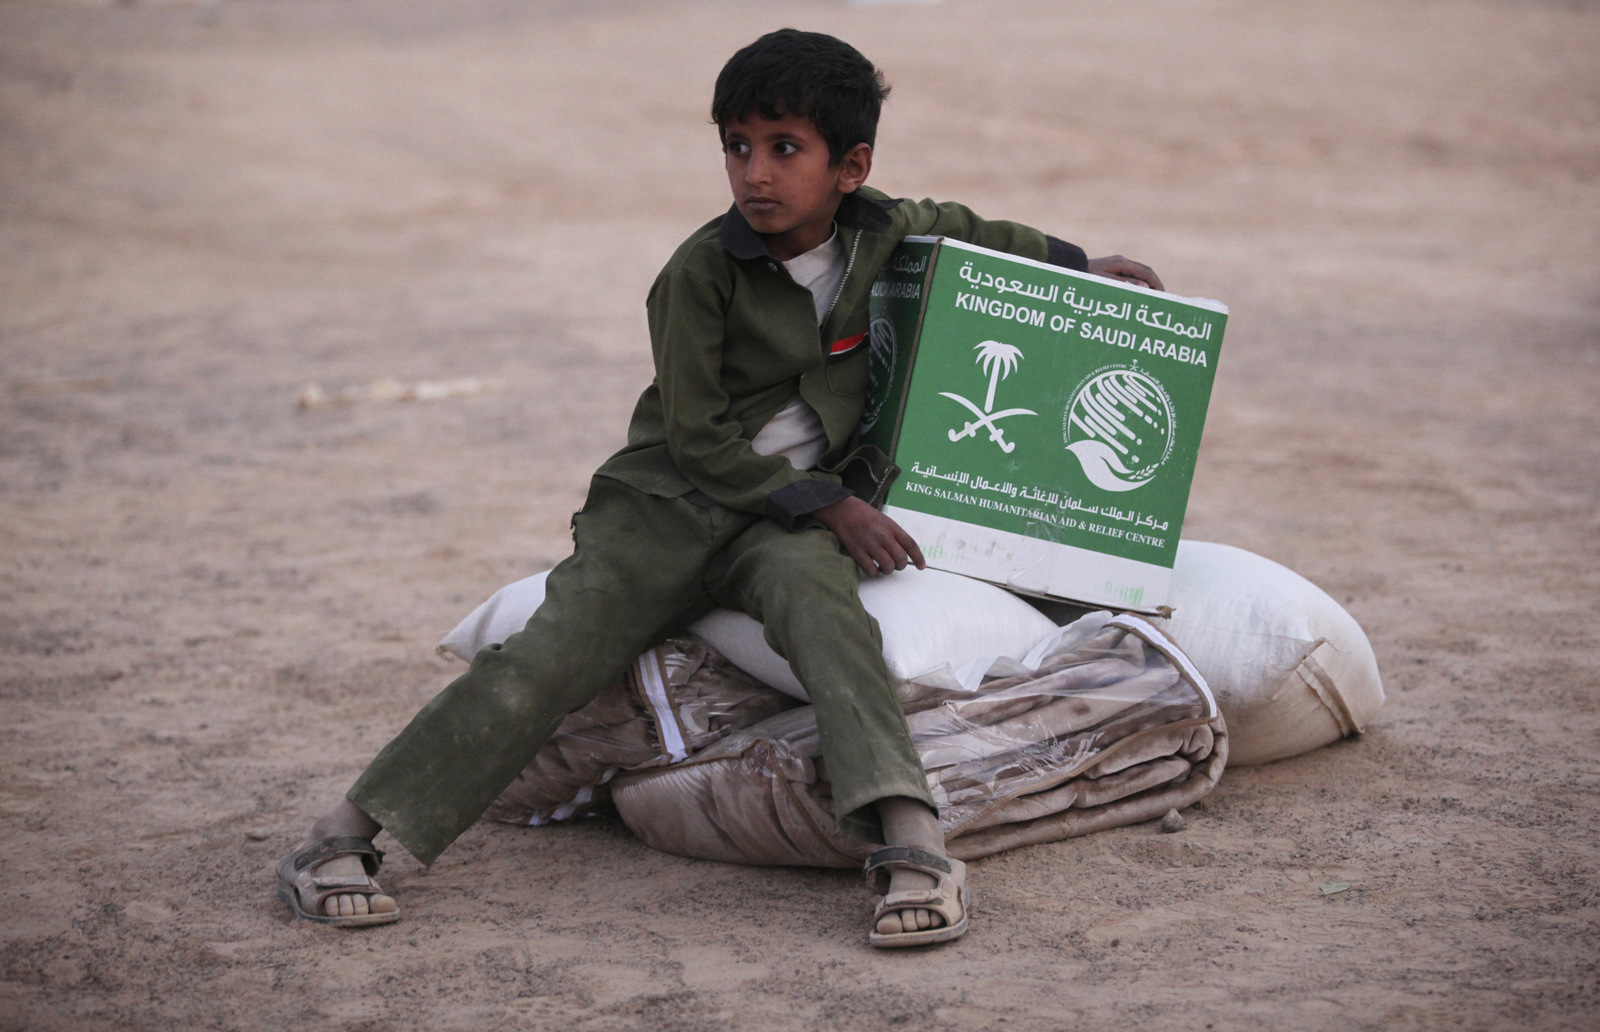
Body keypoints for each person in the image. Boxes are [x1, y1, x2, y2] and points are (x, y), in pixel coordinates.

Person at [276, 27, 1162, 947]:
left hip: (774, 524)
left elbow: (966, 228)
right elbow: (698, 441)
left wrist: (1076, 263)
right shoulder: (699, 274)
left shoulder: (879, 231)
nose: (755, 174)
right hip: (667, 508)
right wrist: (833, 503)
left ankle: (914, 844)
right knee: (543, 663)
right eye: (737, 146)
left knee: (828, 616)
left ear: (850, 166)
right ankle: (340, 838)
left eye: (785, 149)